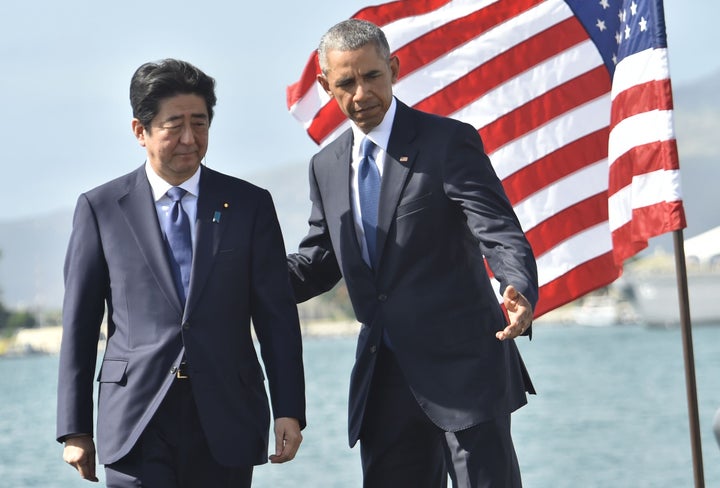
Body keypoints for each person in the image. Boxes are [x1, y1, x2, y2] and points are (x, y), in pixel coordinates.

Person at [287, 19, 538, 488]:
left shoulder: (447, 142)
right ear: (326, 86)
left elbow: (499, 231)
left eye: (372, 76)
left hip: (466, 375)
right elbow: (319, 262)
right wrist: (236, 279)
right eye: (345, 82)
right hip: (384, 385)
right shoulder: (325, 166)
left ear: (394, 68)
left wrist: (517, 286)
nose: (361, 93)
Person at [56, 59, 305, 487]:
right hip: (135, 418)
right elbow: (79, 325)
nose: (189, 139)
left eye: (200, 123)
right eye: (175, 125)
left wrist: (290, 410)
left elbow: (276, 317)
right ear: (141, 131)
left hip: (227, 413)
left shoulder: (249, 205)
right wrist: (75, 429)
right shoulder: (100, 209)